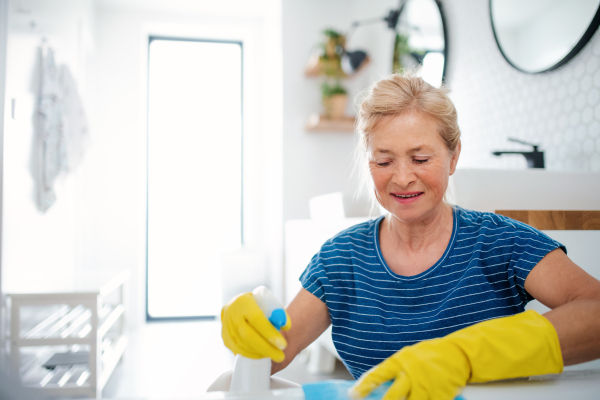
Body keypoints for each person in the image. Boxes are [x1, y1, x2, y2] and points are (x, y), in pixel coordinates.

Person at [219, 70, 600, 400]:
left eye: (420, 159)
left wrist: (466, 355)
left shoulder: (501, 242)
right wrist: (250, 327)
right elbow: (270, 355)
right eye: (384, 161)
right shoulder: (340, 259)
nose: (402, 177)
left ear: (454, 157)